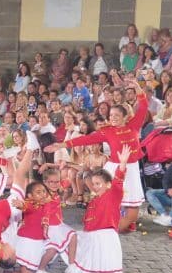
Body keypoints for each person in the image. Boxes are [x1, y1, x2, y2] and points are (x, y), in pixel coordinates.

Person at [46, 76, 146, 232]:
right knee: (108, 196)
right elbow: (85, 139)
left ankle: (123, 223)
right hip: (114, 166)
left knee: (131, 203)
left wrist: (138, 90)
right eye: (111, 115)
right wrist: (63, 144)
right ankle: (109, 224)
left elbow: (144, 106)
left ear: (125, 117)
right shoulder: (107, 131)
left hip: (131, 168)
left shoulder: (134, 125)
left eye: (116, 116)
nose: (112, 118)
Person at [73, 145, 160, 273]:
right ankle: (71, 270)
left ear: (108, 184)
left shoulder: (112, 195)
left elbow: (118, 180)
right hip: (94, 240)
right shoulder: (94, 200)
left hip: (106, 240)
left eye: (98, 183)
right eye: (93, 184)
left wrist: (123, 164)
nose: (95, 187)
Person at [145, 148, 172, 227]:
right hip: (169, 194)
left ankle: (171, 219)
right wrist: (168, 190)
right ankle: (164, 215)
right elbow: (165, 179)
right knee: (149, 192)